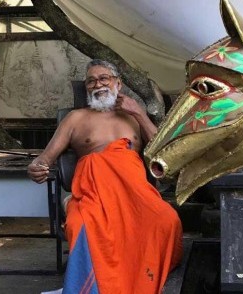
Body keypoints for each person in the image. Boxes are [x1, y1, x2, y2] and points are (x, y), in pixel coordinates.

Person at [28, 59, 183, 294]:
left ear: (117, 83)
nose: (97, 84)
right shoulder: (75, 118)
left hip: (135, 193)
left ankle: (143, 281)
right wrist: (36, 167)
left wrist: (139, 113)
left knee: (167, 220)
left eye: (103, 78)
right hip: (93, 195)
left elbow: (164, 151)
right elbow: (45, 158)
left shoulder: (133, 116)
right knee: (81, 227)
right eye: (91, 81)